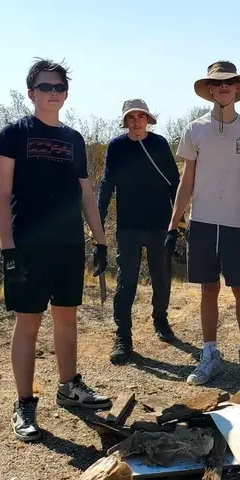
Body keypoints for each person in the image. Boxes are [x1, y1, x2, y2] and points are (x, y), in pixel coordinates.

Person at [0, 58, 112, 442]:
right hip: (27, 244)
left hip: (67, 245)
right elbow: (2, 193)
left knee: (66, 319)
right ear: (31, 93)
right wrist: (8, 249)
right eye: (45, 87)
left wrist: (100, 238)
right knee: (28, 324)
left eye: (59, 88)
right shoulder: (13, 134)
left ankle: (69, 387)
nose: (53, 93)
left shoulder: (73, 139)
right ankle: (24, 403)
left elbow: (86, 193)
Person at [167, 61, 240, 389]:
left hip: (238, 222)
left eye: (229, 82)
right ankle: (209, 355)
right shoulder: (194, 130)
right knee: (208, 289)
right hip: (203, 222)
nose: (223, 87)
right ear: (210, 89)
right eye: (217, 83)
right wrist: (174, 225)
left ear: (238, 87)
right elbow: (187, 181)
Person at [97, 99, 180, 364]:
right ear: (125, 121)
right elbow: (107, 183)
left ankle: (161, 320)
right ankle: (123, 337)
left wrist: (178, 222)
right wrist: (97, 219)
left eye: (140, 117)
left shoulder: (160, 144)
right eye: (131, 118)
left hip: (159, 224)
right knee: (126, 282)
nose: (136, 122)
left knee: (161, 277)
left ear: (148, 119)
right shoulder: (116, 146)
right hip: (128, 226)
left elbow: (175, 184)